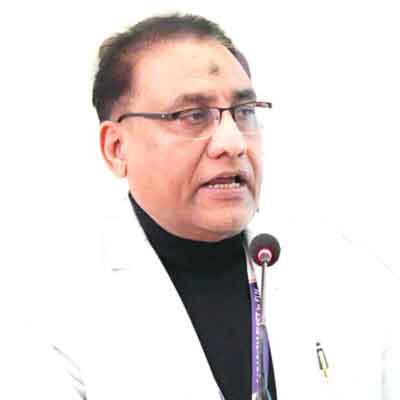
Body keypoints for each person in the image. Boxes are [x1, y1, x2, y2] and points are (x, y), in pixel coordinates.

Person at [39, 13, 399, 400]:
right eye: (192, 116)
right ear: (116, 148)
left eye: (245, 112)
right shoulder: (60, 314)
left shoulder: (351, 276)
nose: (233, 142)